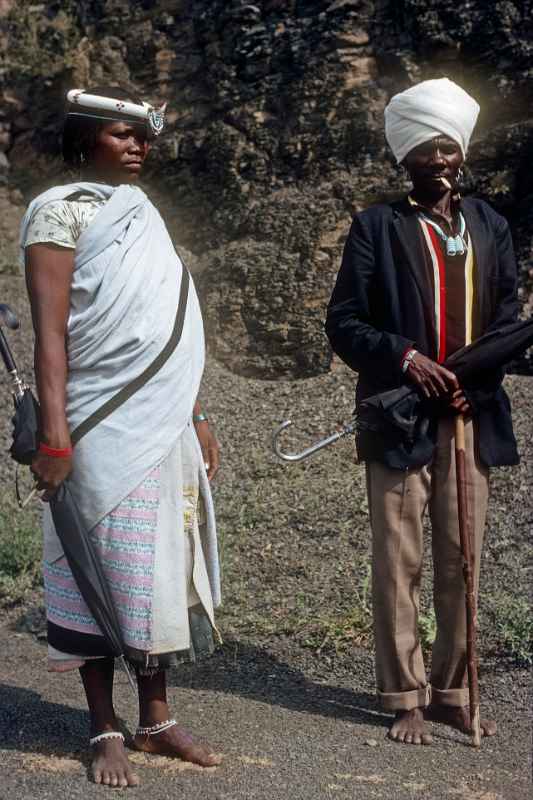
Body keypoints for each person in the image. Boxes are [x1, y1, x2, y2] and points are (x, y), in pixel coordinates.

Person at [21, 86, 222, 787]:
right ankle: (104, 724)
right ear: (84, 139)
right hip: (91, 420)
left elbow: (168, 332)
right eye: (121, 133)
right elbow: (50, 334)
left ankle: (157, 719)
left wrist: (196, 415)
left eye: (143, 136)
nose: (138, 146)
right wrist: (54, 434)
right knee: (91, 569)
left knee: (153, 567)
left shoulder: (146, 216)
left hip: (162, 422)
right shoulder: (56, 211)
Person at [325, 78, 519, 745]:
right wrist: (406, 359)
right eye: (424, 149)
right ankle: (403, 695)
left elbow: (506, 317)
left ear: (460, 151)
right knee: (397, 557)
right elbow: (344, 322)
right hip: (398, 412)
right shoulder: (376, 226)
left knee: (461, 557)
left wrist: (476, 379)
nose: (437, 159)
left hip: (470, 413)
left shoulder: (489, 224)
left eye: (447, 147)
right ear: (402, 156)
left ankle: (453, 693)